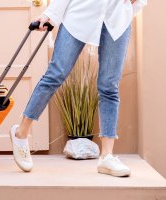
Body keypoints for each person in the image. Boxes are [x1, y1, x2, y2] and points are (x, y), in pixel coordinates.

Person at [9, 0, 147, 176]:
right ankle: (21, 133)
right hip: (79, 15)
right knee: (55, 75)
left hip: (117, 19)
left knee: (109, 87)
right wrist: (50, 14)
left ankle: (107, 157)